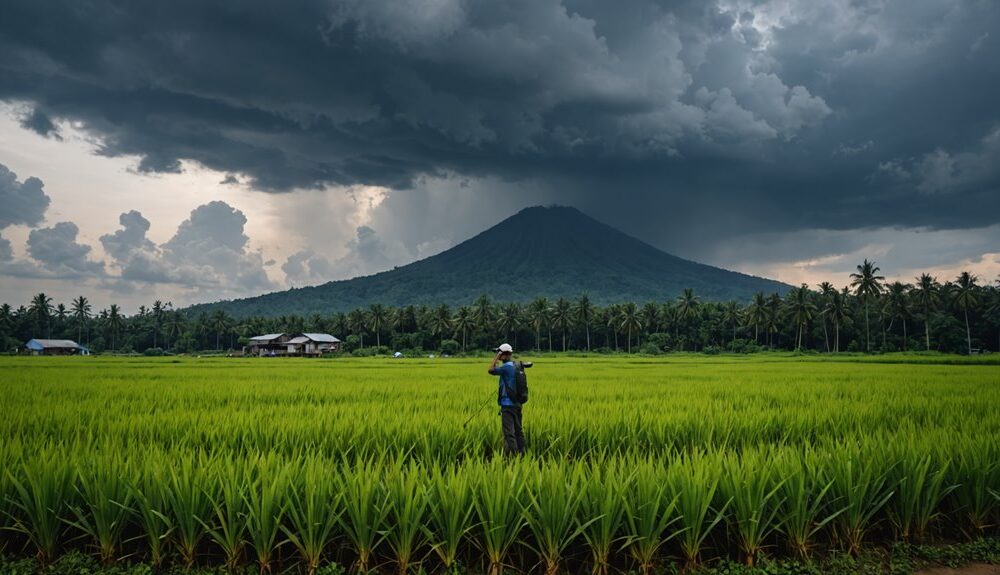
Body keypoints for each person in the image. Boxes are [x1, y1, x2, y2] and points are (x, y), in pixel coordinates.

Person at [488, 343, 525, 456]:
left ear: (504, 354)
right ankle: (522, 453)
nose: (498, 356)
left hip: (507, 405)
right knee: (518, 431)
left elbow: (490, 370)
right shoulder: (515, 366)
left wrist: (496, 358)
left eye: (499, 354)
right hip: (517, 404)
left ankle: (514, 457)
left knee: (509, 433)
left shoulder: (506, 367)